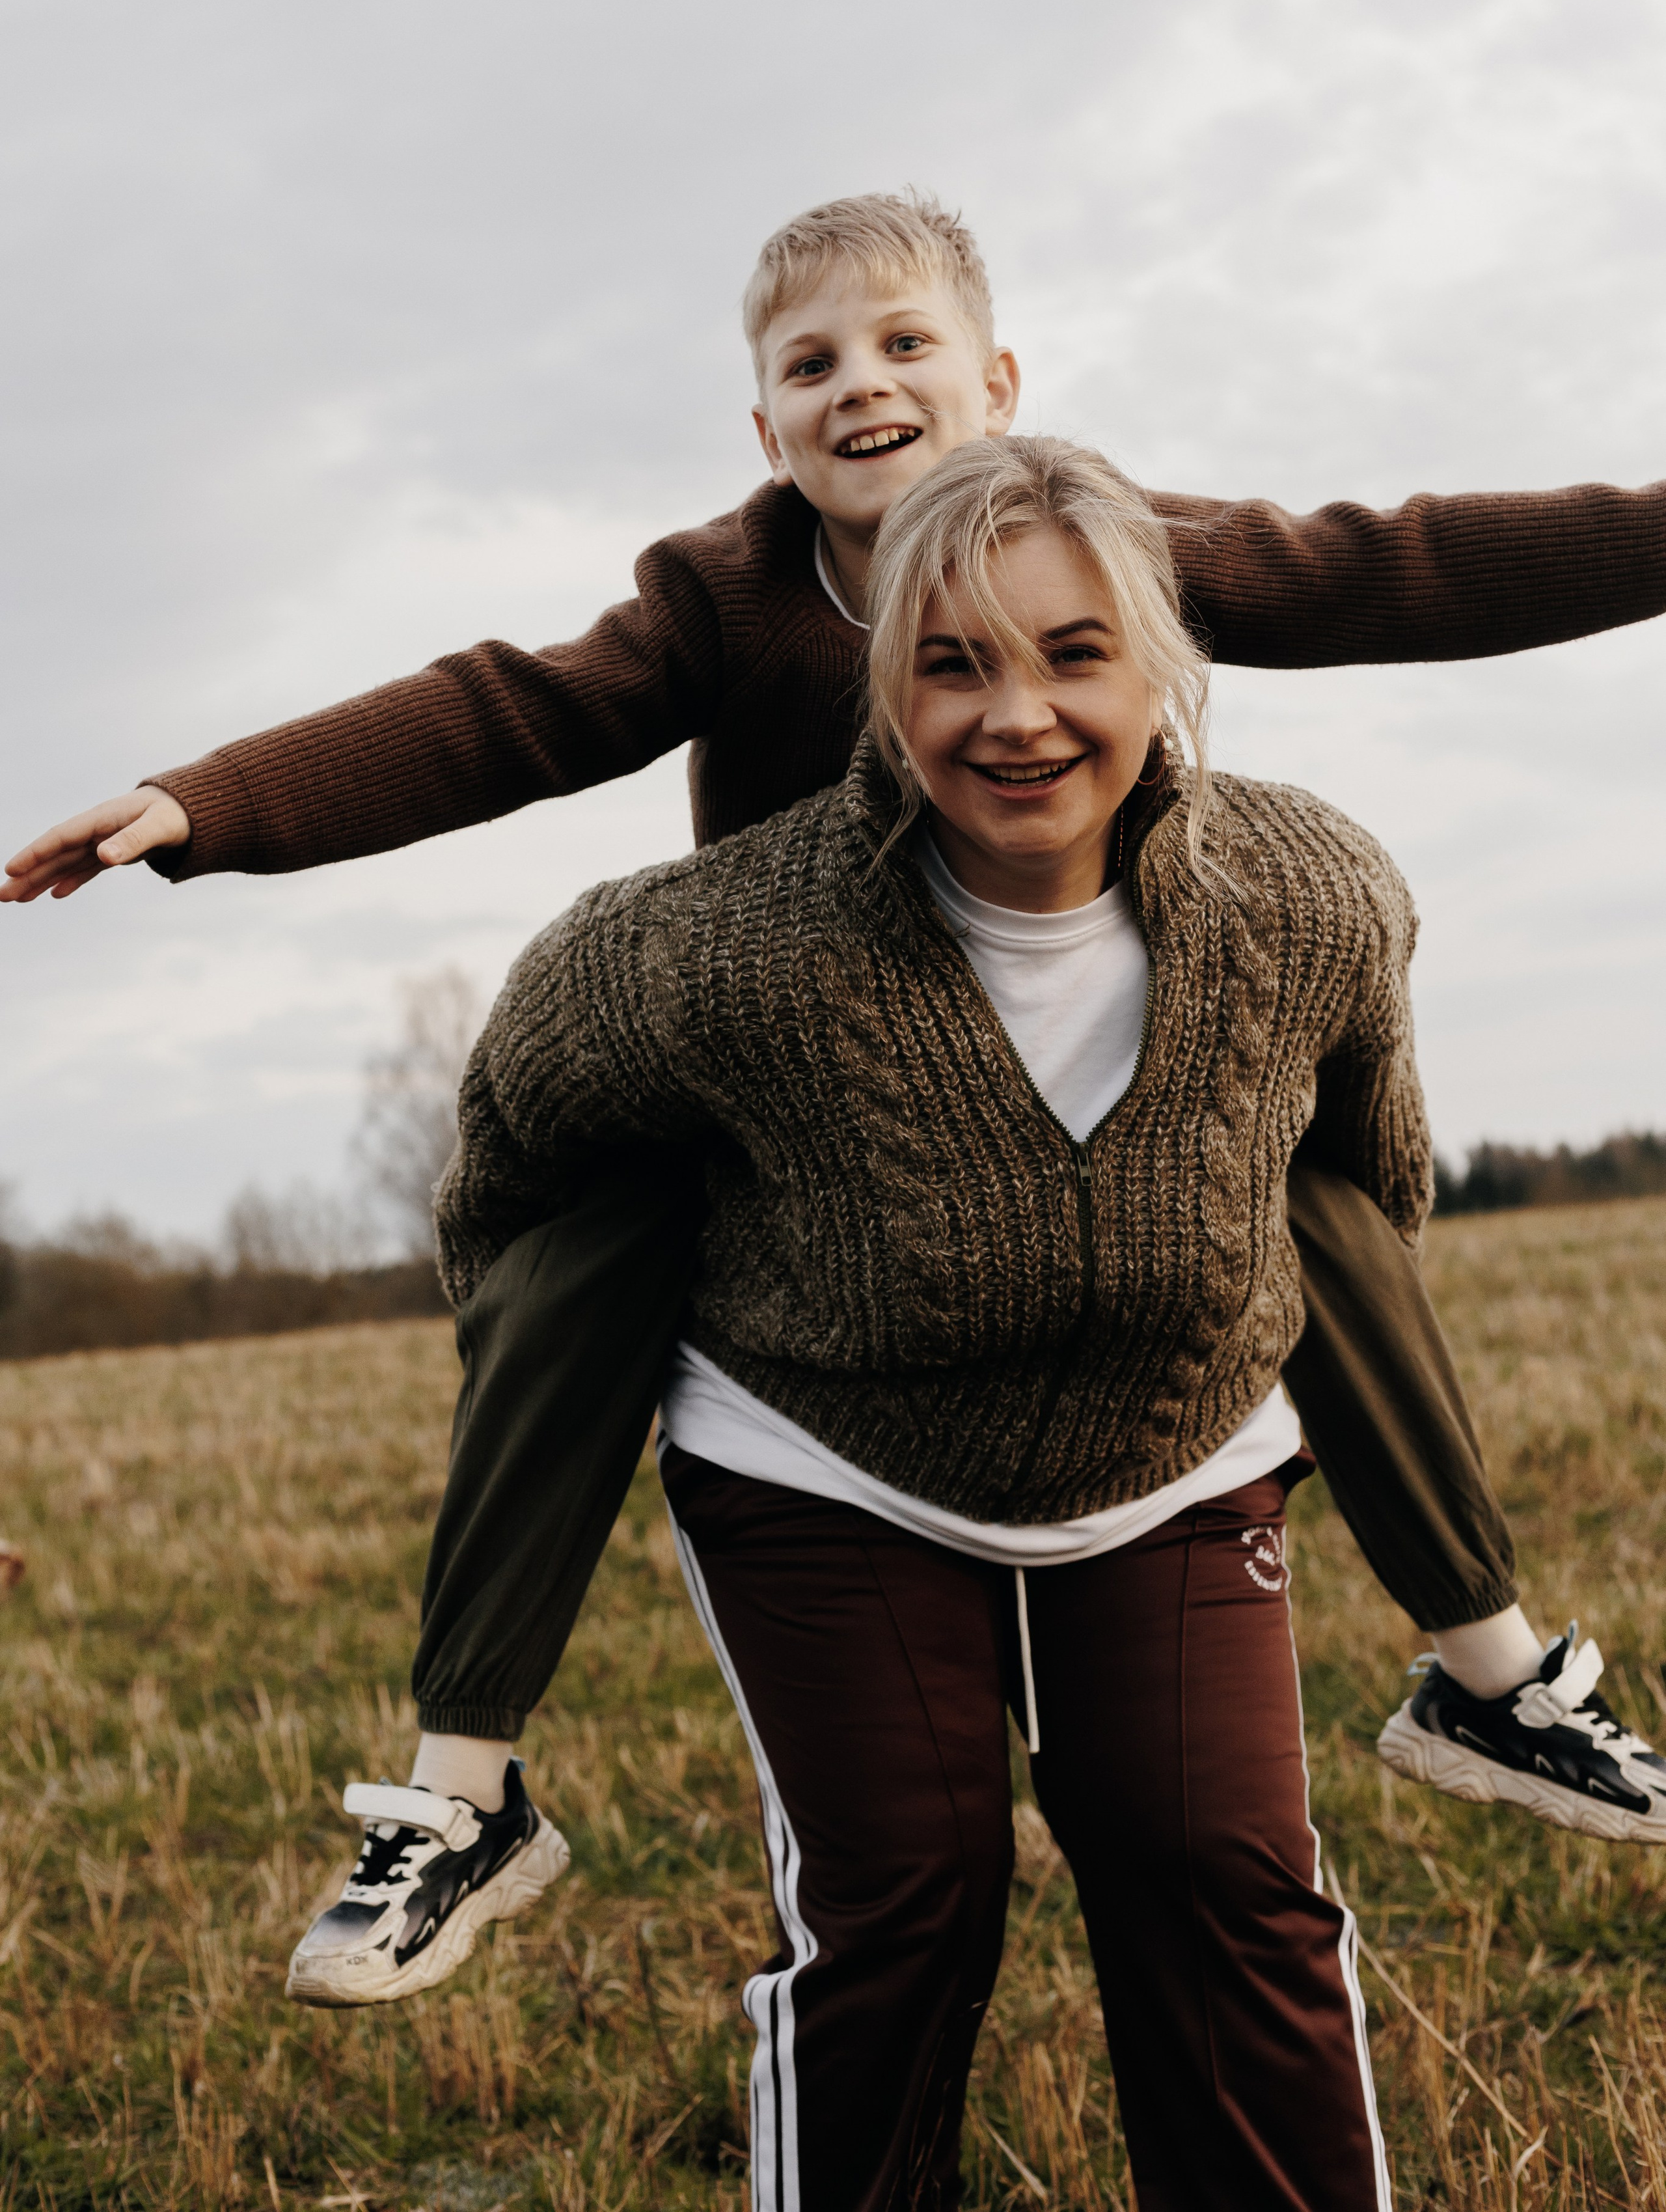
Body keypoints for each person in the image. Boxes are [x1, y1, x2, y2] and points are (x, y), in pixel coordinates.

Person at [8, 197, 1666, 2013]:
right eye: (810, 365)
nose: (860, 386)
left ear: (998, 382)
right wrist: (211, 806)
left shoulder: (1103, 540)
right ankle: (464, 1784)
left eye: (901, 346)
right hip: (806, 1104)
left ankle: (1493, 1674)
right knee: (591, 1244)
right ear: (766, 428)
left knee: (1294, 1186)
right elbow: (512, 712)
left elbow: (1395, 563)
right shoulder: (727, 594)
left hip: (1091, 1045)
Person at [425, 430, 1570, 2209]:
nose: (1016, 714)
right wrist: (555, 1361)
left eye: (1072, 653)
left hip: (1168, 1461)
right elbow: (515, 1154)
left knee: (1225, 1882)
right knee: (912, 1897)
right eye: (953, 664)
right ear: (884, 691)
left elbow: (1366, 1174)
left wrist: (1227, 1337)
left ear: (1161, 671)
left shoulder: (1317, 895)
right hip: (825, 1452)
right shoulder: (703, 954)